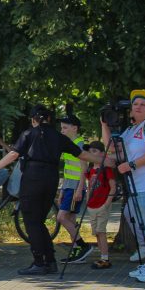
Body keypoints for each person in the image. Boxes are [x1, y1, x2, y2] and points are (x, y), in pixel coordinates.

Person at [0, 105, 107, 275]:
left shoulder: (29, 134)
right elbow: (82, 155)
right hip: (51, 179)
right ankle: (50, 261)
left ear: (33, 120)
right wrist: (107, 161)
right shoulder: (58, 137)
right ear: (49, 119)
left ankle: (39, 262)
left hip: (33, 178)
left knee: (31, 221)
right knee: (39, 221)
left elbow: (14, 154)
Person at [101, 89, 145, 282]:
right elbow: (112, 150)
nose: (138, 107)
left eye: (143, 104)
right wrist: (104, 124)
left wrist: (131, 165)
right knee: (134, 217)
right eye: (135, 104)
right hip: (137, 187)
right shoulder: (132, 130)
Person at [57, 113, 92, 264]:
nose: (62, 131)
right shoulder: (68, 145)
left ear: (75, 128)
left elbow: (84, 168)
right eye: (61, 128)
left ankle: (83, 246)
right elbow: (68, 169)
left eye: (65, 128)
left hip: (75, 186)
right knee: (70, 219)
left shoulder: (79, 144)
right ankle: (77, 252)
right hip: (68, 186)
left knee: (61, 217)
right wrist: (62, 190)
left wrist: (79, 188)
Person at [83, 141, 116, 270]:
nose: (91, 154)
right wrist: (87, 201)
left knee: (101, 232)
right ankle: (102, 256)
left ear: (102, 153)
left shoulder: (106, 169)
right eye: (90, 152)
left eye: (94, 151)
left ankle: (105, 258)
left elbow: (113, 187)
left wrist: (106, 204)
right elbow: (89, 187)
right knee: (96, 232)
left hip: (102, 205)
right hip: (92, 206)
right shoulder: (90, 169)